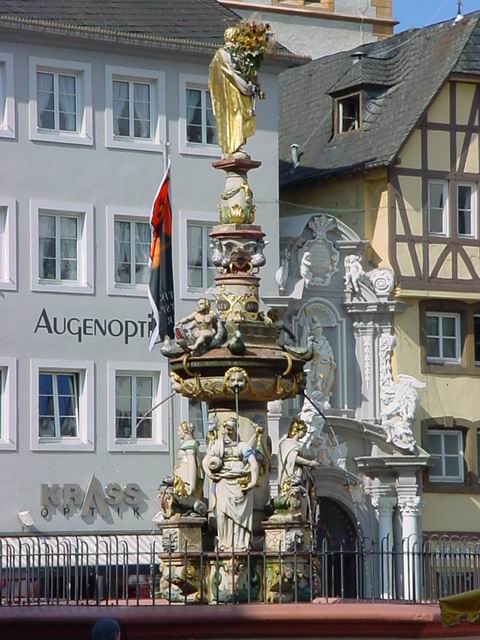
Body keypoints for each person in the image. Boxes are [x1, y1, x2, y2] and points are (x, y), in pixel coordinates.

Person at [203, 417, 258, 551]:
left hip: (240, 483)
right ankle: (224, 543)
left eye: (232, 429)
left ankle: (240, 543)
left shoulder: (242, 446)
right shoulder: (218, 445)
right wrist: (210, 474)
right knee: (221, 514)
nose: (230, 431)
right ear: (224, 429)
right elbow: (206, 461)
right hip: (223, 482)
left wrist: (253, 481)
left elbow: (253, 464)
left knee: (240, 515)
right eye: (228, 429)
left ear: (236, 429)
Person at [208, 27, 256, 157]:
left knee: (238, 115)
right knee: (236, 115)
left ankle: (236, 146)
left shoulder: (237, 53)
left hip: (235, 92)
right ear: (234, 37)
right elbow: (225, 73)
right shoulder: (223, 54)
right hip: (232, 92)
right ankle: (233, 147)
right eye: (239, 37)